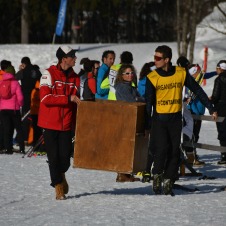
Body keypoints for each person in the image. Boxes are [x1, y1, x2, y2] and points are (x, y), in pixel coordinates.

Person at [145, 45, 217, 195]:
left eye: (158, 58)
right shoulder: (152, 77)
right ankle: (157, 174)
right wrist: (147, 124)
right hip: (159, 119)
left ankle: (169, 179)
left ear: (167, 60)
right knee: (161, 149)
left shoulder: (181, 73)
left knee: (174, 151)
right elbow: (148, 103)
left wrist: (210, 108)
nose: (155, 61)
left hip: (175, 118)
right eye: (154, 57)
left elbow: (197, 90)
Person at [38, 46, 80, 200]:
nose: (75, 58)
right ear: (64, 59)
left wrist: (76, 126)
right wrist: (67, 98)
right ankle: (58, 187)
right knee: (53, 157)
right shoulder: (48, 74)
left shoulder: (75, 78)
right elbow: (45, 98)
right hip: (49, 124)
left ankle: (61, 176)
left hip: (66, 125)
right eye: (73, 56)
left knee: (65, 160)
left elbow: (76, 104)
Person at [114, 64, 143, 182]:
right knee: (125, 146)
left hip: (130, 118)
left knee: (129, 146)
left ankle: (125, 173)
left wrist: (139, 99)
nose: (130, 75)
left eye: (131, 73)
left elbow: (139, 99)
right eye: (127, 73)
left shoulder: (130, 86)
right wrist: (138, 99)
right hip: (125, 119)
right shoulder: (122, 87)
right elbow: (132, 101)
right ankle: (122, 174)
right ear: (121, 75)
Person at [15, 57, 42, 143]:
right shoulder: (36, 70)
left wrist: (20, 69)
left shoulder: (23, 71)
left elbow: (15, 78)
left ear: (23, 64)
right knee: (35, 118)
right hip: (36, 96)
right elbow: (41, 79)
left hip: (26, 97)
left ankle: (25, 138)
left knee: (25, 117)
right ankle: (35, 138)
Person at [0, 65, 24, 154]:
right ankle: (22, 148)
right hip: (14, 110)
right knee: (19, 129)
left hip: (3, 110)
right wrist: (20, 104)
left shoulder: (1, 82)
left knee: (6, 129)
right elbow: (20, 97)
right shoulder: (15, 83)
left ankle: (8, 149)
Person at [210, 60, 226, 165]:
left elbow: (215, 96)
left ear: (220, 68)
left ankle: (224, 155)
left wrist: (211, 100)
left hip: (221, 108)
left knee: (222, 131)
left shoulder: (219, 79)